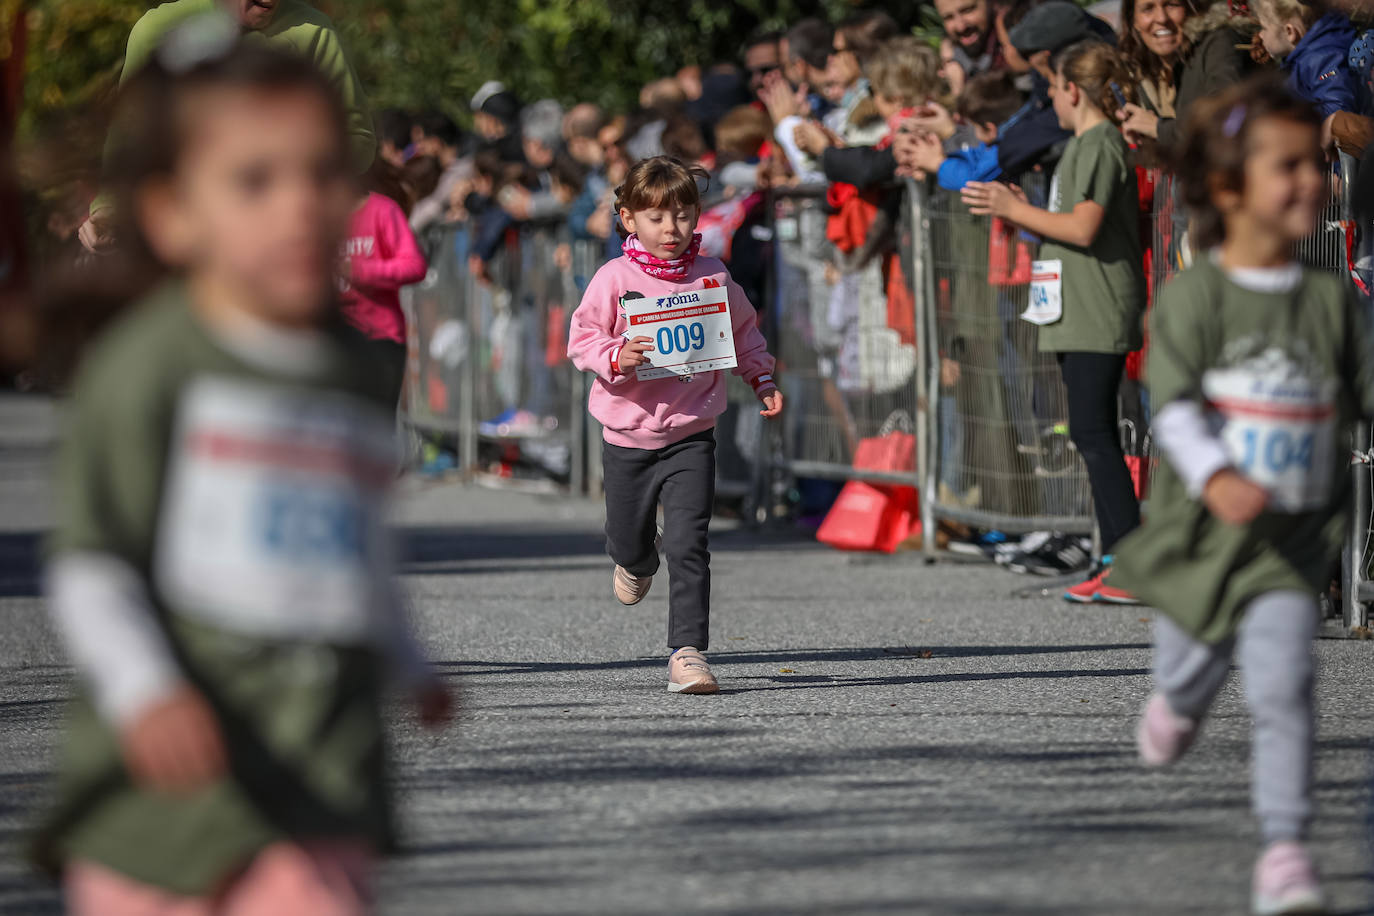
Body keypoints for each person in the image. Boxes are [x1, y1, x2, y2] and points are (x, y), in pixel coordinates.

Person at [34, 32, 451, 914]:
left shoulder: (350, 364)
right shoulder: (149, 364)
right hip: (160, 792)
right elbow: (92, 562)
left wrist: (410, 657)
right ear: (172, 211)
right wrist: (146, 690)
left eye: (322, 174)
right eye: (255, 181)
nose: (300, 205)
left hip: (316, 767)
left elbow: (358, 538)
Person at [1113, 77, 1372, 916]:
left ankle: (1287, 849)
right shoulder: (1200, 295)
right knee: (1197, 665)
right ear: (1229, 189)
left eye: (1318, 164)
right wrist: (1217, 473)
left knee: (1284, 682)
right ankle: (1178, 702)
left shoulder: (1331, 300)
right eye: (1288, 166)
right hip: (1203, 537)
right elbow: (1174, 399)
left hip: (1292, 543)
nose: (1314, 180)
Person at [566, 157, 783, 694]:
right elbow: (582, 339)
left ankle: (687, 653)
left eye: (684, 216)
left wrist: (761, 379)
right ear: (627, 219)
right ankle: (636, 561)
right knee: (629, 541)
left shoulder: (713, 277)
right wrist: (618, 356)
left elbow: (746, 332)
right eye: (658, 217)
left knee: (689, 543)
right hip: (627, 434)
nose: (672, 229)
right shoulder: (614, 278)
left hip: (691, 432)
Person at [962, 40, 1145, 603]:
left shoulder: (1102, 141)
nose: (1050, 102)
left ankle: (1131, 562)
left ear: (1072, 89)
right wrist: (1019, 215)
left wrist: (1016, 211)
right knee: (1090, 433)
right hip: (1075, 307)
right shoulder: (1081, 144)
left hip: (1097, 307)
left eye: (1054, 90)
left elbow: (1085, 228)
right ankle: (1113, 558)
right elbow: (1067, 224)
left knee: (1094, 433)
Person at [78, 0, 375, 254]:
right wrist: (110, 209)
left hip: (282, 244)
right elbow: (128, 139)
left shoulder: (315, 31)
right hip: (190, 251)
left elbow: (359, 138)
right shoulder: (157, 29)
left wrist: (289, 163)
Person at [1117, 0, 1256, 150]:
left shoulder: (1219, 44)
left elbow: (1225, 117)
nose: (1162, 18)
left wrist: (1159, 129)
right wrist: (1145, 134)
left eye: (1171, 5)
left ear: (1190, 7)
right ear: (1134, 20)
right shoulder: (1143, 70)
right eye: (1148, 9)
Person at [341, 180, 429, 405]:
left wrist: (360, 271)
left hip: (380, 339)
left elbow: (414, 265)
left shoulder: (382, 210)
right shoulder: (311, 212)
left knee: (372, 429)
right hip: (331, 340)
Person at [1255, 0, 1358, 120]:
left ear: (1290, 32)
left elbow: (1340, 110)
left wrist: (1292, 118)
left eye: (1264, 28)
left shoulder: (1324, 61)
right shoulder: (1302, 58)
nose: (1261, 35)